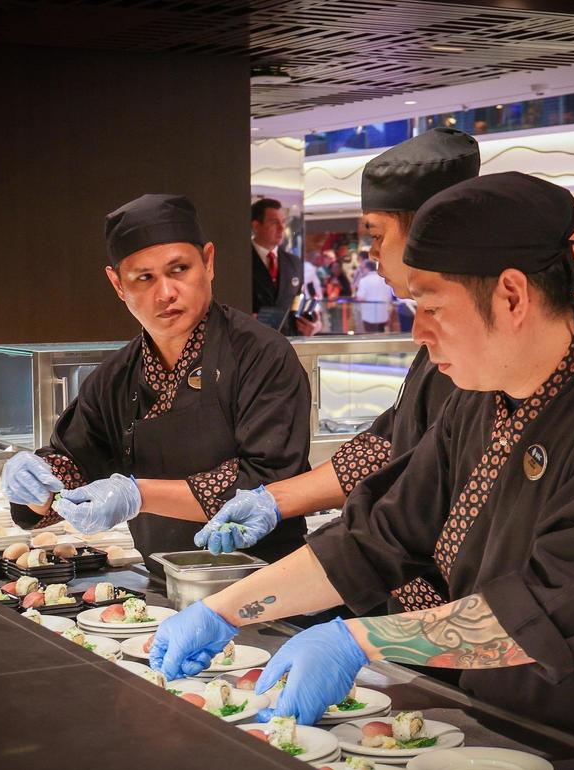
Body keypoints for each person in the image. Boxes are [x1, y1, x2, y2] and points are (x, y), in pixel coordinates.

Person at [151, 173, 574, 770]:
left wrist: (361, 643)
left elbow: (542, 614)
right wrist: (225, 611)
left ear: (511, 296)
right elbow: (377, 539)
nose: (418, 334)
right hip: (501, 731)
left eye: (430, 307)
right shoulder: (477, 400)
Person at [191, 129, 479, 621]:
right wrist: (272, 501)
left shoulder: (483, 366)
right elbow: (387, 448)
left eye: (376, 235)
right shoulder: (442, 350)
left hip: (454, 620)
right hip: (409, 610)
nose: (370, 253)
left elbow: (408, 509)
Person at [0, 194, 312, 574]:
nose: (165, 293)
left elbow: (269, 481)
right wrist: (36, 486)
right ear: (117, 285)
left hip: (270, 583)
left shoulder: (262, 354)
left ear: (209, 262)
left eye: (179, 269)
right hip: (164, 587)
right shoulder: (114, 377)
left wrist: (137, 495)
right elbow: (72, 465)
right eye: (144, 278)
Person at [250, 198, 318, 336]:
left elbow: (300, 301)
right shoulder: (239, 261)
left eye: (283, 222)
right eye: (275, 222)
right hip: (252, 344)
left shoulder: (294, 262)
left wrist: (315, 324)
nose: (282, 228)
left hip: (288, 343)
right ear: (256, 226)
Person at [355, 260, 393, 333]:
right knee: (381, 334)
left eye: (362, 268)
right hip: (383, 314)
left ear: (366, 268)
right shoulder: (384, 280)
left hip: (369, 315)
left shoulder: (364, 280)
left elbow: (360, 298)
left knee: (370, 336)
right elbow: (389, 297)